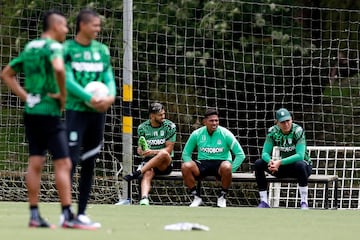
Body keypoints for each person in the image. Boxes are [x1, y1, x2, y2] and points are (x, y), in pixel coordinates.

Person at [0, 10, 94, 229]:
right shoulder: (55, 47)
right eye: (64, 26)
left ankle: (34, 215)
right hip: (50, 113)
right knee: (63, 162)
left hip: (32, 111)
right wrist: (62, 96)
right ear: (54, 27)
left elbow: (6, 73)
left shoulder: (31, 47)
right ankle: (67, 215)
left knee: (35, 162)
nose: (67, 30)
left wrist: (27, 97)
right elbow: (59, 69)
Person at [63, 9, 116, 227]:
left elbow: (108, 76)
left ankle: (82, 212)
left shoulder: (102, 50)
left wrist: (111, 96)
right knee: (71, 161)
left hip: (98, 113)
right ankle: (65, 212)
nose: (98, 29)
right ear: (82, 25)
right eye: (95, 25)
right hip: (76, 111)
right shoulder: (67, 49)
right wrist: (88, 97)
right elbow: (66, 79)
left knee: (90, 161)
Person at [181, 108, 246, 208]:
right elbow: (185, 154)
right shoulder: (196, 134)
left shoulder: (226, 134)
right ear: (204, 121)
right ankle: (196, 197)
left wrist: (229, 172)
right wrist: (193, 172)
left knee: (227, 167)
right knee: (185, 166)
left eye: (216, 120)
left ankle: (222, 197)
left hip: (221, 165)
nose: (214, 123)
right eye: (211, 121)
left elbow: (240, 154)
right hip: (203, 163)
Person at [254, 108, 312, 209]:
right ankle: (264, 202)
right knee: (259, 163)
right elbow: (264, 153)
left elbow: (300, 156)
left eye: (288, 121)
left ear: (291, 120)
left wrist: (279, 162)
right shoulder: (273, 131)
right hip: (282, 167)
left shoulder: (297, 131)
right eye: (282, 122)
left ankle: (304, 202)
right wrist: (270, 162)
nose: (286, 124)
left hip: (302, 167)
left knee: (300, 164)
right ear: (277, 123)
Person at [123, 102, 176, 206]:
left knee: (163, 153)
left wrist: (152, 152)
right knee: (147, 173)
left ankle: (137, 172)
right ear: (152, 116)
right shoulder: (142, 128)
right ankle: (144, 199)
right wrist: (141, 151)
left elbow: (169, 149)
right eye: (160, 115)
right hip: (149, 162)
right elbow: (141, 148)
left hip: (165, 163)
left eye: (164, 114)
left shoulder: (170, 126)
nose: (163, 117)